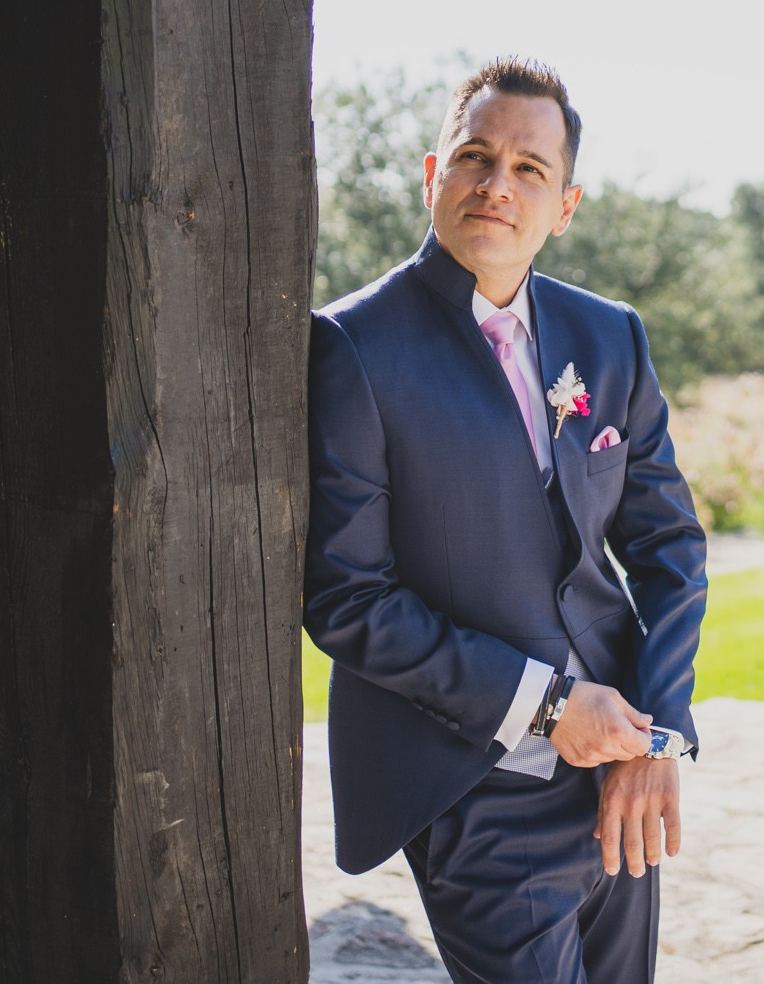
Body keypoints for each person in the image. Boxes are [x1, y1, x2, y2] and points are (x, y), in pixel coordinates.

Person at [303, 56, 708, 984]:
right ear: (432, 174)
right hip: (474, 786)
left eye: (530, 168)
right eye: (475, 156)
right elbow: (348, 599)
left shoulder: (611, 335)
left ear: (565, 205)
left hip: (618, 777)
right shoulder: (353, 346)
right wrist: (550, 705)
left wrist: (656, 736)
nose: (497, 184)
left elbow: (670, 546)